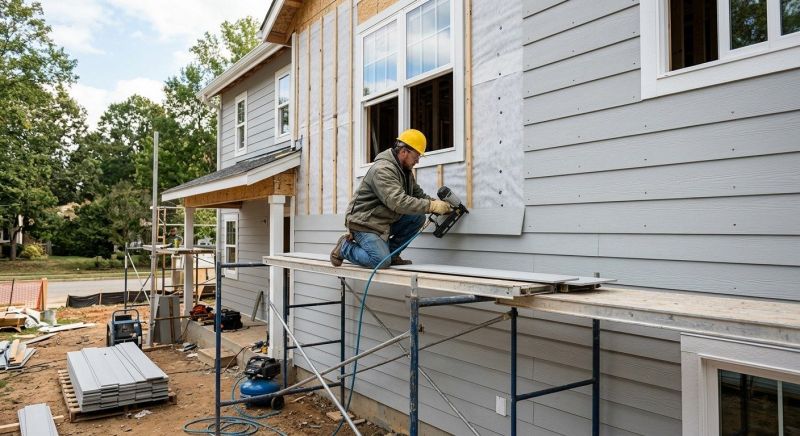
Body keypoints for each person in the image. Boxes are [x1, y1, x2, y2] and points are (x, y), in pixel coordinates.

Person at [330, 129, 452, 269]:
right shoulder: (383, 169)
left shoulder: (405, 171)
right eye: (417, 155)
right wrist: (431, 206)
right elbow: (397, 202)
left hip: (382, 221)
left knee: (417, 218)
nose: (418, 160)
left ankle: (392, 255)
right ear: (404, 151)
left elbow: (418, 195)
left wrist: (441, 205)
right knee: (380, 261)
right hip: (364, 223)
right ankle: (345, 247)